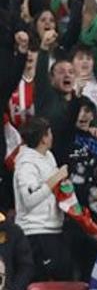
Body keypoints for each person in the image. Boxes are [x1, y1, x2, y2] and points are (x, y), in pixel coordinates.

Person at [13, 117, 70, 281]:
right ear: (44, 138)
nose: (52, 136)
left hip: (54, 229)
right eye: (50, 133)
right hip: (35, 233)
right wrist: (57, 177)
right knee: (41, 282)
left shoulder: (48, 156)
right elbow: (30, 199)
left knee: (63, 279)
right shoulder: (26, 164)